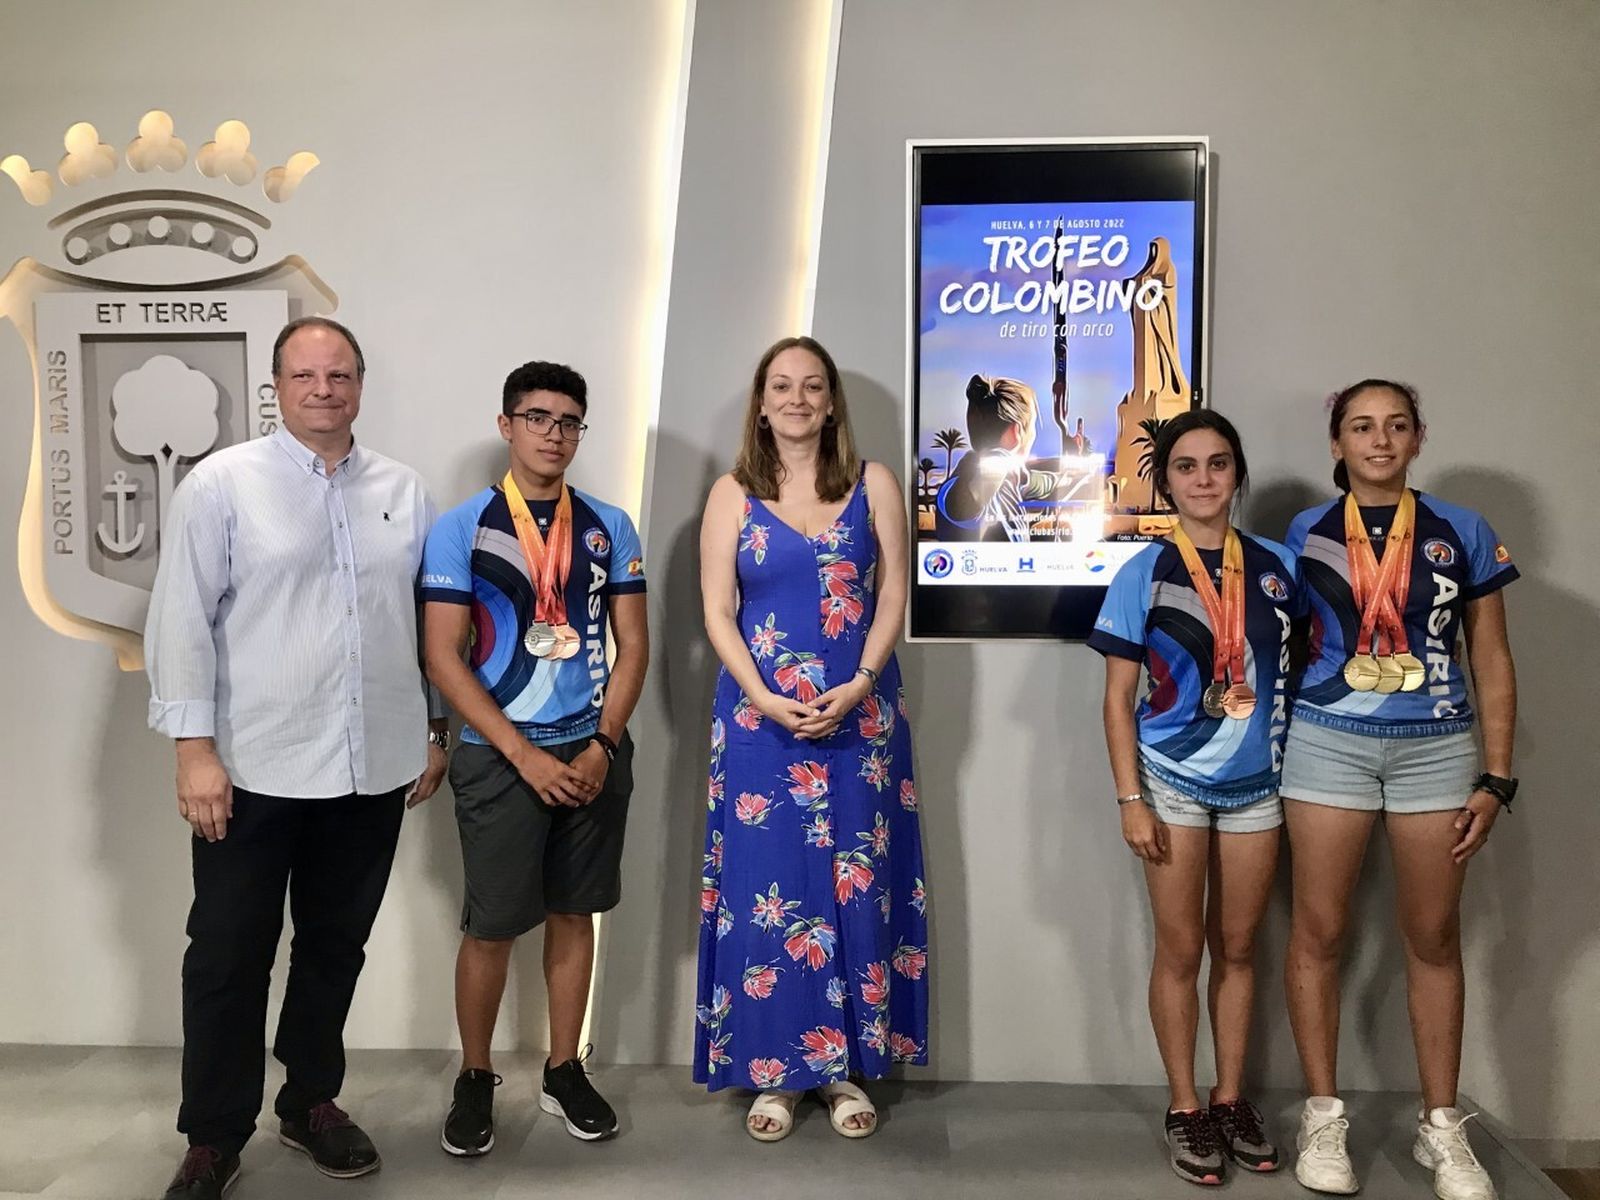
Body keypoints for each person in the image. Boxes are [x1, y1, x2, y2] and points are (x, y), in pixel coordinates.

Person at [145, 317, 448, 1200]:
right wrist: (194, 750)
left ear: (361, 382)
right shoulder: (222, 485)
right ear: (277, 384)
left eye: (340, 373)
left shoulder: (404, 489)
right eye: (306, 374)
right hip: (251, 766)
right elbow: (181, 621)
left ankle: (310, 1100)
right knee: (229, 952)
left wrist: (432, 729)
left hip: (372, 764)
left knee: (333, 946)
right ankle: (212, 1134)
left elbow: (428, 624)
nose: (324, 387)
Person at [1281, 380, 1518, 1200]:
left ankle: (1441, 1129)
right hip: (1328, 745)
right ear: (1338, 444)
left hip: (1436, 750)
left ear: (1418, 438)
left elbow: (1491, 657)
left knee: (1434, 937)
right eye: (1361, 427)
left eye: (1395, 426)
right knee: (1319, 931)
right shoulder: (1304, 532)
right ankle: (1321, 1113)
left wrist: (1496, 772)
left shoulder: (1464, 530)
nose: (1379, 440)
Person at [694, 336, 928, 1141]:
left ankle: (843, 1072)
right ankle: (776, 1075)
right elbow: (718, 611)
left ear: (831, 403)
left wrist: (861, 682)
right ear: (761, 403)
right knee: (772, 891)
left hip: (860, 715)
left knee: (854, 887)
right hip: (760, 724)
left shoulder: (876, 485)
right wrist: (760, 694)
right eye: (781, 386)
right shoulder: (730, 494)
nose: (796, 398)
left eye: (812, 386)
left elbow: (895, 589)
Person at [421, 360, 648, 1157]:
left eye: (569, 421)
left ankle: (562, 1069)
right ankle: (476, 1078)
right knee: (490, 927)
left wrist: (603, 746)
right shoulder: (462, 527)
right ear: (506, 425)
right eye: (538, 417)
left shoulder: (610, 525)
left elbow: (634, 647)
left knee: (572, 912)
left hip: (590, 752)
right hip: (497, 757)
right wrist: (523, 756)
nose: (554, 434)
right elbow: (443, 658)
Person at [1088, 409, 1296, 1186]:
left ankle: (1231, 1096)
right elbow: (1117, 701)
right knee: (1182, 950)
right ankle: (1184, 1106)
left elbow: (1310, 668)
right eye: (1186, 466)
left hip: (1256, 787)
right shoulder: (1142, 572)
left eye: (1217, 464)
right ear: (1165, 480)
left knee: (1238, 949)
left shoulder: (1277, 568)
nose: (1203, 479)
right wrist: (1128, 798)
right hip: (1170, 784)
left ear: (1236, 474)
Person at [935, 373, 1078, 542]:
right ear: (1015, 431)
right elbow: (978, 489)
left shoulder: (1012, 479)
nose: (1033, 435)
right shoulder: (961, 489)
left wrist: (1070, 469)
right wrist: (1006, 449)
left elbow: (1043, 482)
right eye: (1032, 426)